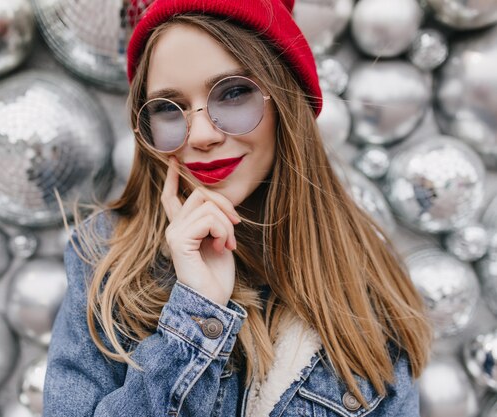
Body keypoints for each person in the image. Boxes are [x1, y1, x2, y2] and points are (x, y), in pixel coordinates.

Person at [43, 0, 432, 416]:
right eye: (167, 108)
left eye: (233, 93)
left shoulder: (365, 283)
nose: (203, 135)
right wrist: (195, 311)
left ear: (287, 99)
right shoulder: (105, 257)